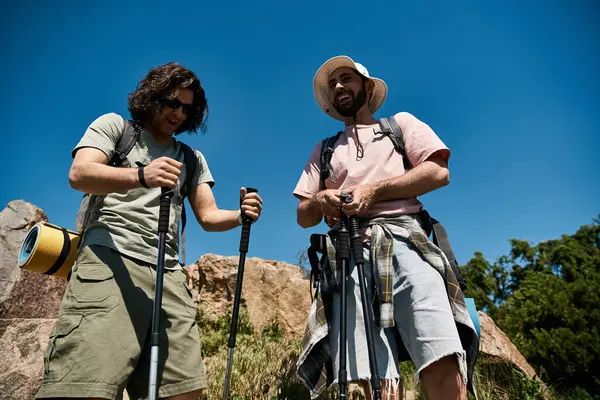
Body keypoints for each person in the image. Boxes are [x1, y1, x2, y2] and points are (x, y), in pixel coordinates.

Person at [36, 62, 263, 400]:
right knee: (84, 385)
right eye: (173, 102)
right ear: (152, 96)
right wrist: (142, 176)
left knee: (182, 390)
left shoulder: (191, 158)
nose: (179, 113)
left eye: (188, 108)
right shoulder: (115, 127)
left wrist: (241, 215)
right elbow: (80, 173)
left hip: (169, 275)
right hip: (109, 262)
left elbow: (208, 216)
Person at [293, 56, 478, 400]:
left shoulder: (400, 125)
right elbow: (303, 215)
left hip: (408, 244)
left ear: (366, 86)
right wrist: (321, 201)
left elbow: (438, 172)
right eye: (332, 85)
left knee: (440, 357)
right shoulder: (324, 149)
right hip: (348, 255)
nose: (338, 87)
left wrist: (374, 191)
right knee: (369, 380)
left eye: (346, 79)